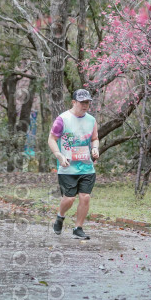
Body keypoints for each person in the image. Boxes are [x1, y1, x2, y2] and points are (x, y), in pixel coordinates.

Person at [47, 89, 100, 240]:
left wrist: (95, 148)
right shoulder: (62, 119)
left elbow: (95, 138)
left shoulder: (91, 120)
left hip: (86, 166)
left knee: (85, 197)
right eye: (82, 102)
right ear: (74, 102)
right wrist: (58, 155)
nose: (85, 105)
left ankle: (78, 228)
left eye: (87, 102)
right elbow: (51, 139)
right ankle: (60, 216)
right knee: (69, 198)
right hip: (67, 167)